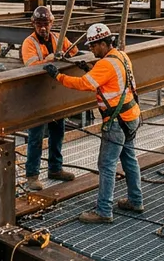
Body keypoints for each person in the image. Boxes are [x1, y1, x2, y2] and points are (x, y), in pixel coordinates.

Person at [43, 23, 143, 224]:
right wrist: (89, 68)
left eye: (93, 46)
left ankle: (104, 211)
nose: (91, 49)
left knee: (106, 165)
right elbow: (112, 80)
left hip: (117, 121)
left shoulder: (105, 64)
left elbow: (85, 84)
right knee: (129, 159)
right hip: (131, 116)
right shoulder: (121, 56)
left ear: (103, 43)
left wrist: (58, 76)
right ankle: (136, 200)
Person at [20, 6, 77, 191]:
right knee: (36, 136)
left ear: (51, 24)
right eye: (39, 25)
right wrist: (49, 59)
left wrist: (66, 53)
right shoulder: (29, 43)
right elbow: (31, 66)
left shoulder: (56, 38)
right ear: (33, 24)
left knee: (57, 132)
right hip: (36, 96)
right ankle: (32, 175)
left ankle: (55, 168)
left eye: (45, 24)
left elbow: (73, 51)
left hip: (53, 94)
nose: (43, 28)